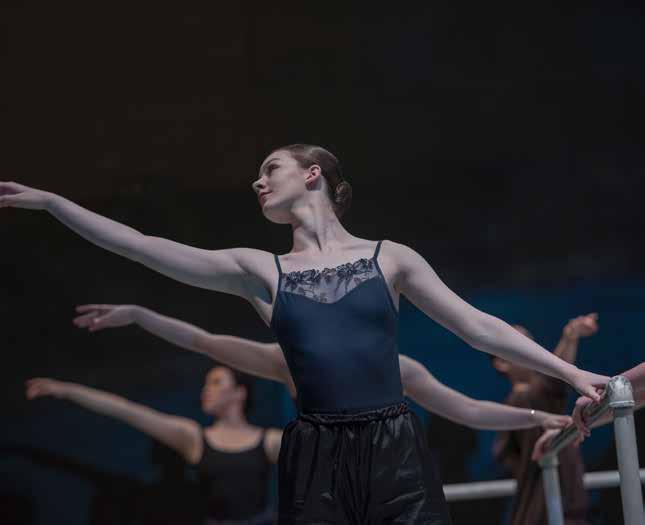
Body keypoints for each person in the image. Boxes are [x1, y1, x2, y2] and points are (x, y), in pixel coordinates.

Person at [0, 144, 607, 523]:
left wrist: (573, 373)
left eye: (270, 169)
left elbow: (477, 326)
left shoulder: (390, 257)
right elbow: (142, 246)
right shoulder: (260, 270)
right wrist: (55, 204)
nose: (257, 182)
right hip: (316, 455)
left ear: (312, 174)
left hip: (394, 447)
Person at [71, 302, 573, 432]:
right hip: (325, 481)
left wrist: (540, 417)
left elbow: (468, 410)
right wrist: (139, 316)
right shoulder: (284, 362)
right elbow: (204, 342)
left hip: (387, 475)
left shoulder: (398, 367)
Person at [26, 366, 280, 525]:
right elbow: (127, 410)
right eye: (205, 383)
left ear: (239, 392)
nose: (206, 389)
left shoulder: (270, 440)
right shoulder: (193, 438)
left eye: (216, 382)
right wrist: (67, 390)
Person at [491, 314, 599, 525]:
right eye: (520, 343)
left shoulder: (519, 403)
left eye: (530, 343)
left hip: (550, 508)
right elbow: (555, 381)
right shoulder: (524, 399)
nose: (531, 349)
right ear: (501, 362)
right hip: (549, 511)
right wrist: (570, 336)